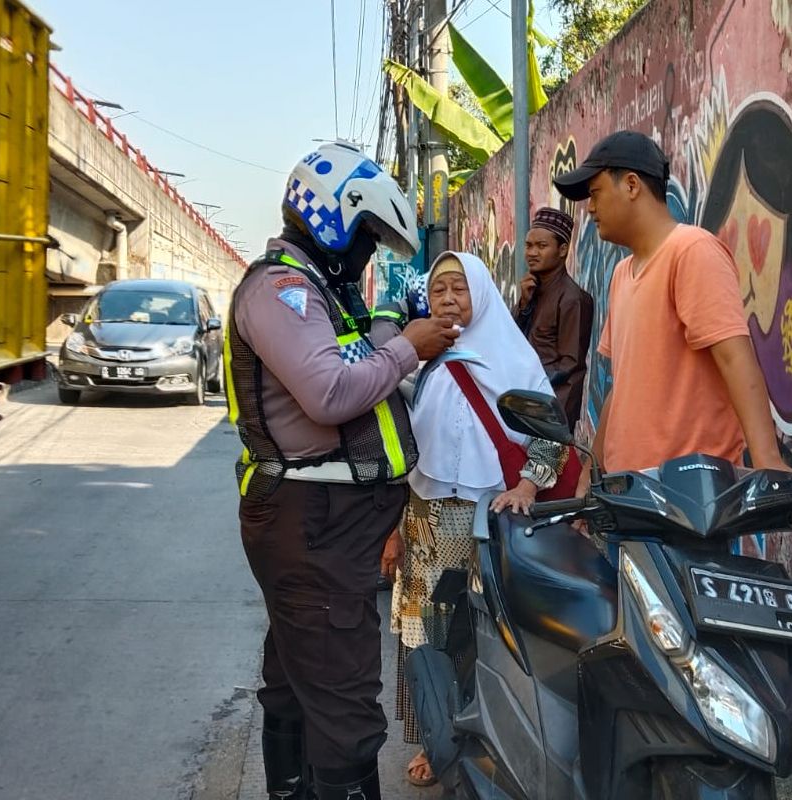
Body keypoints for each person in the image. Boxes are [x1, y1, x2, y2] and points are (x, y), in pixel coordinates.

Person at [226, 142, 459, 800]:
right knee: (346, 706)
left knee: (298, 678)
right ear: (335, 219)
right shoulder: (282, 290)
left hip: (329, 527)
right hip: (315, 526)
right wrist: (410, 348)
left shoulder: (324, 292)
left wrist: (398, 329)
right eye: (366, 236)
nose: (368, 253)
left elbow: (360, 352)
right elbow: (329, 392)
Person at [552, 131, 792, 497]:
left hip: (689, 497)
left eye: (595, 194)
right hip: (627, 494)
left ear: (631, 185)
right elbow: (621, 383)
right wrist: (591, 472)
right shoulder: (621, 274)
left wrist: (768, 461)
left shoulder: (691, 251)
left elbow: (734, 357)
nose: (590, 209)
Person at [383, 251, 570, 787]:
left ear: (482, 293)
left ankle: (489, 731)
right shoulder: (417, 358)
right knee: (424, 630)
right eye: (437, 290)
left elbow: (549, 430)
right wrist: (392, 529)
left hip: (494, 517)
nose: (446, 299)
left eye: (458, 289)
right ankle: (432, 737)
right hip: (428, 516)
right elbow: (402, 445)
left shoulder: (512, 357)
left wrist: (527, 484)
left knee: (485, 628)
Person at [512, 206, 595, 429]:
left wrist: (556, 424)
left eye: (542, 246)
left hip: (550, 414)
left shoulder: (572, 299)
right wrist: (523, 306)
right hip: (525, 407)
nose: (532, 253)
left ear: (562, 250)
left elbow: (571, 368)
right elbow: (511, 341)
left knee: (546, 466)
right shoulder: (532, 290)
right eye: (529, 246)